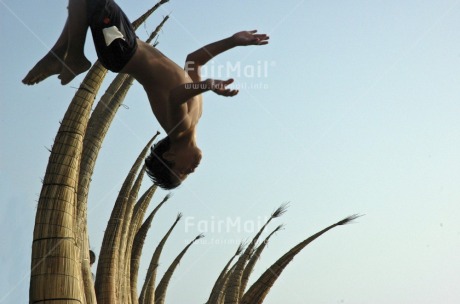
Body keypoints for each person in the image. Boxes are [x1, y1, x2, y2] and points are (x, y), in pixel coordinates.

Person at [22, 0, 269, 189]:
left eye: (182, 171)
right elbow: (193, 60)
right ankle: (68, 54)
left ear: (170, 155)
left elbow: (176, 96)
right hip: (129, 42)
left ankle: (71, 56)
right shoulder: (197, 115)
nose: (191, 170)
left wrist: (207, 86)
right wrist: (233, 41)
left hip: (123, 50)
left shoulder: (178, 129)